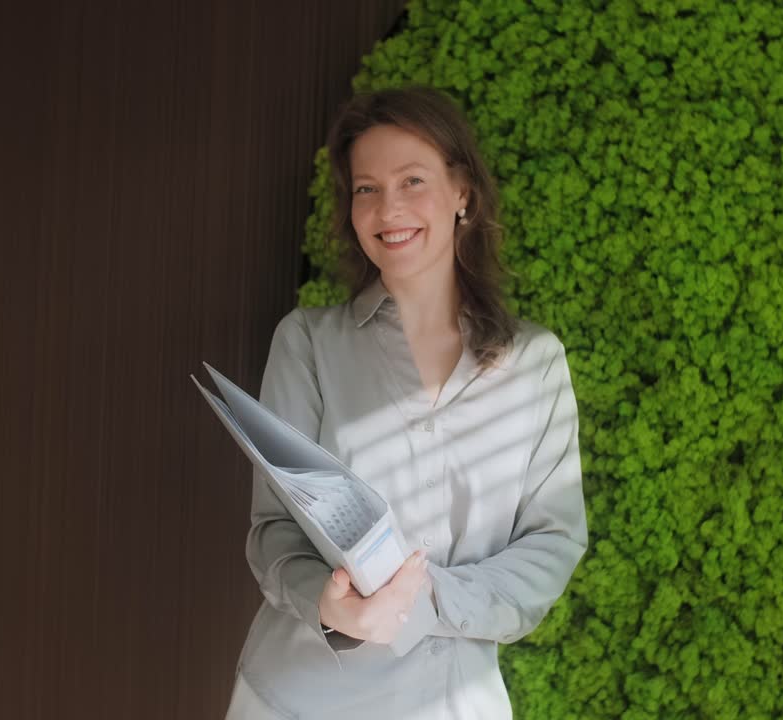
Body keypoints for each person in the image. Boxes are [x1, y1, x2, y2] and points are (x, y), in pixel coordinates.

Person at [224, 85, 588, 720]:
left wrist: (425, 600)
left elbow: (551, 544)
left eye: (412, 180)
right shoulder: (308, 342)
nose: (388, 207)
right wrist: (331, 606)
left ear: (463, 195)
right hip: (300, 698)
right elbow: (274, 532)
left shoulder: (535, 363)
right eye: (366, 188)